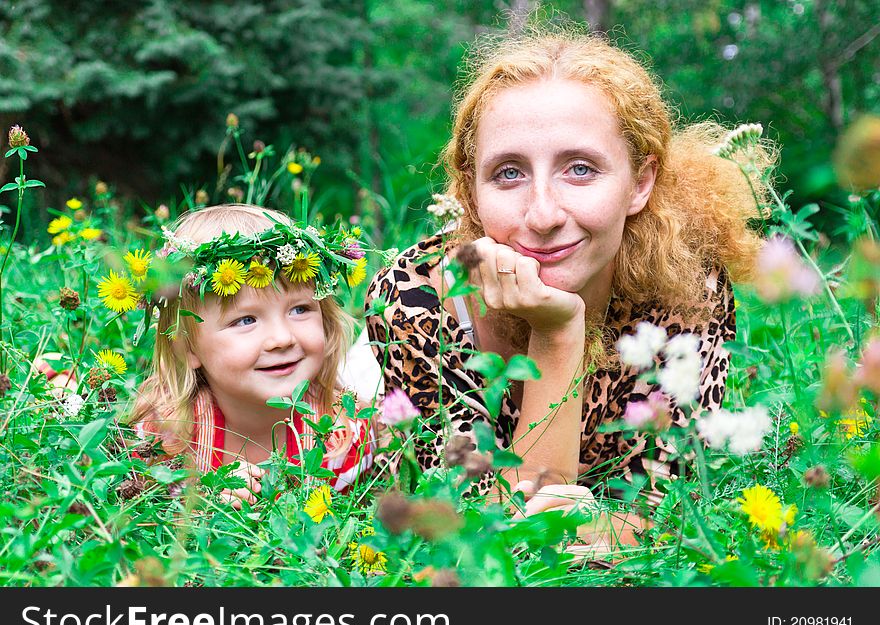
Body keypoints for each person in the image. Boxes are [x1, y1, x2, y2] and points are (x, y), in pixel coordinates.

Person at [365, 27, 773, 548]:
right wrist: (556, 332)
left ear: (640, 182)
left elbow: (667, 506)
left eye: (580, 169)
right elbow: (501, 535)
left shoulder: (688, 285)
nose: (542, 215)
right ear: (471, 190)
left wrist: (583, 523)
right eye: (509, 173)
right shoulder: (412, 300)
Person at [127, 204, 376, 509]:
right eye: (245, 320)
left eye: (299, 309)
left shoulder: (343, 440)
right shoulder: (165, 437)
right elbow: (141, 509)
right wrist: (202, 504)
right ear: (187, 348)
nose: (282, 338)